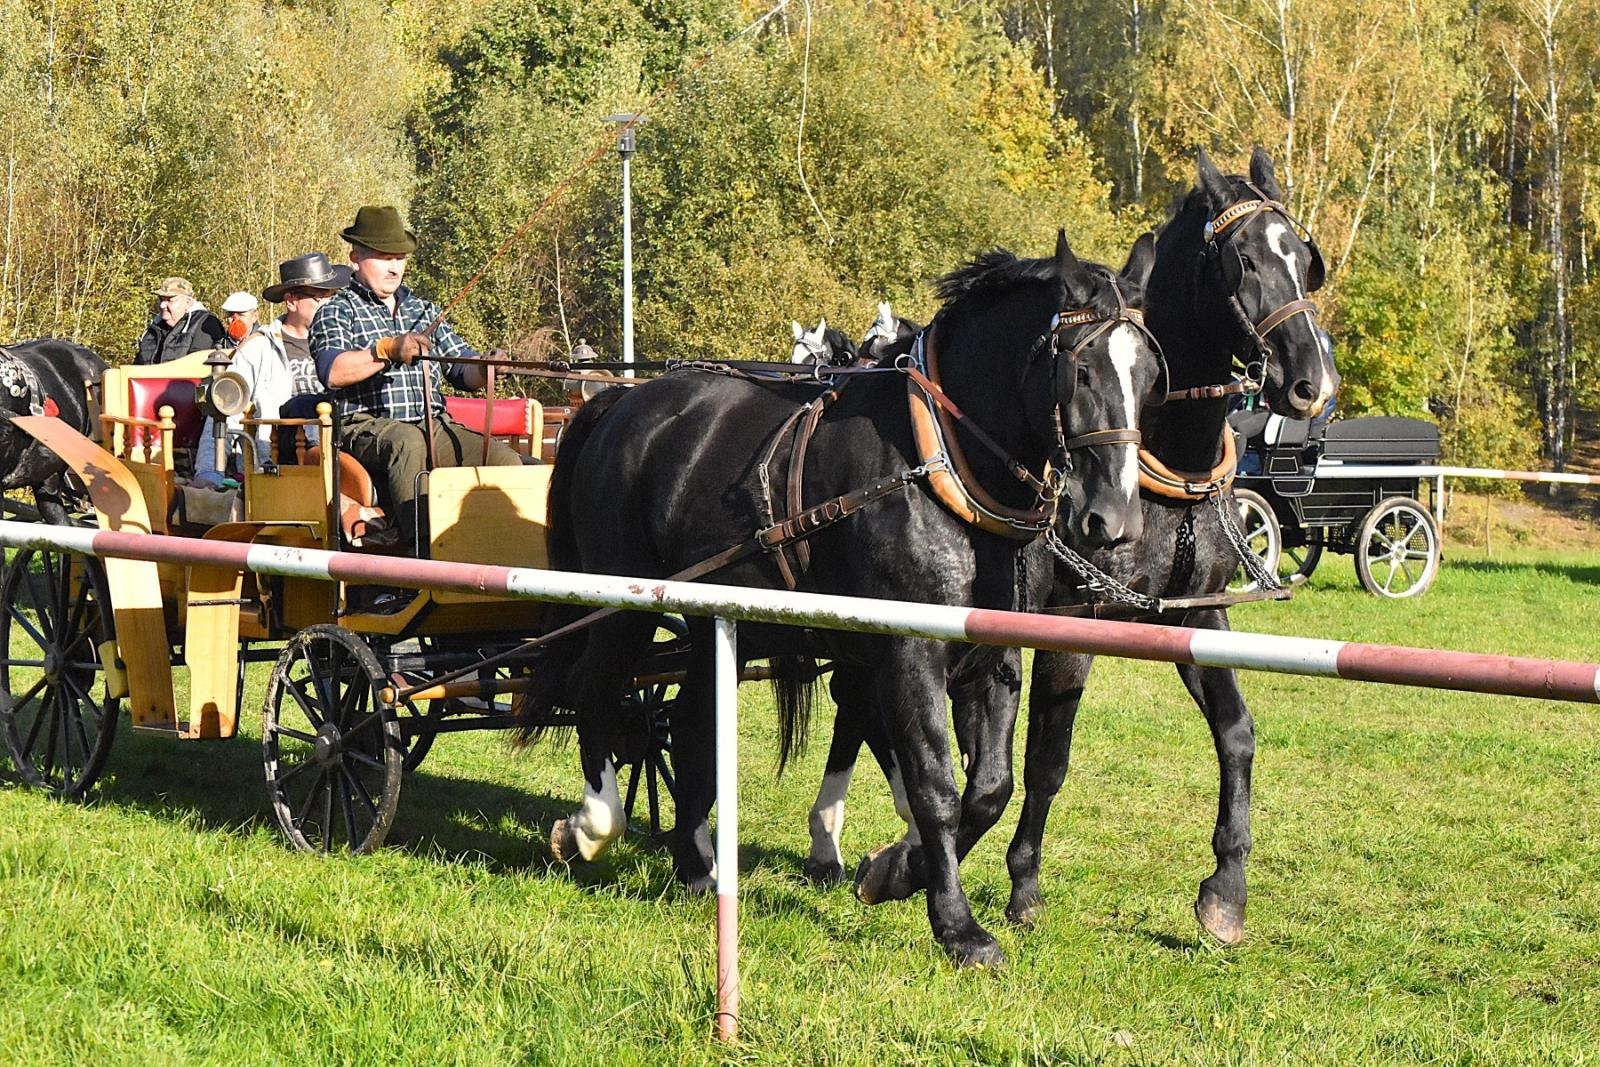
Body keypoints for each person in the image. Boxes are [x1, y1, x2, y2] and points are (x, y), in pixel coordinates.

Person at [311, 205, 522, 548]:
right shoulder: (337, 310)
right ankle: (420, 557)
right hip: (363, 426)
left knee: (505, 460)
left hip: (432, 423)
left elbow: (460, 368)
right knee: (407, 442)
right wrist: (387, 350)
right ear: (355, 258)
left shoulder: (422, 310)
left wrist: (486, 366)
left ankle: (505, 550)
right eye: (383, 257)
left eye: (400, 257)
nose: (394, 267)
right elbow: (333, 372)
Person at [195, 253, 351, 486]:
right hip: (278, 461)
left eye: (332, 297)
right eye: (319, 298)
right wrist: (210, 472)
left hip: (339, 445)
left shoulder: (344, 344)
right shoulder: (258, 348)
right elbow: (226, 410)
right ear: (291, 301)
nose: (328, 305)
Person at [136, 277, 228, 364]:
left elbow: (201, 369)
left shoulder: (205, 325)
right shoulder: (154, 328)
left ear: (188, 302)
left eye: (170, 300)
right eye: (161, 299)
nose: (162, 305)